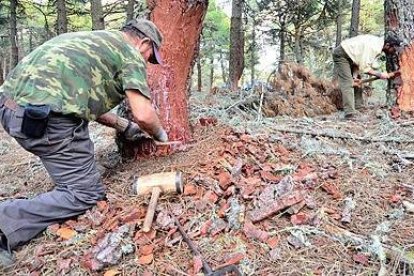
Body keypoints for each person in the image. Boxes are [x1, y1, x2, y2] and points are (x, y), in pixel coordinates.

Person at [0, 18, 168, 265]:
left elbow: (77, 97)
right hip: (46, 122)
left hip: (11, 111)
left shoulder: (91, 41)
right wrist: (161, 136)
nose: (146, 62)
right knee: (85, 195)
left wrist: (122, 125)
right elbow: (143, 114)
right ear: (143, 42)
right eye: (149, 56)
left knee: (82, 164)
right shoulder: (129, 53)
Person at [332, 33, 402, 119]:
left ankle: (358, 107)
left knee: (357, 80)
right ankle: (349, 113)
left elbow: (358, 60)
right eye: (393, 49)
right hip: (342, 54)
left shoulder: (378, 44)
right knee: (347, 83)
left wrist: (354, 76)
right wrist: (380, 74)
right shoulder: (373, 48)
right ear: (387, 45)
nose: (394, 51)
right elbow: (364, 68)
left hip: (352, 56)